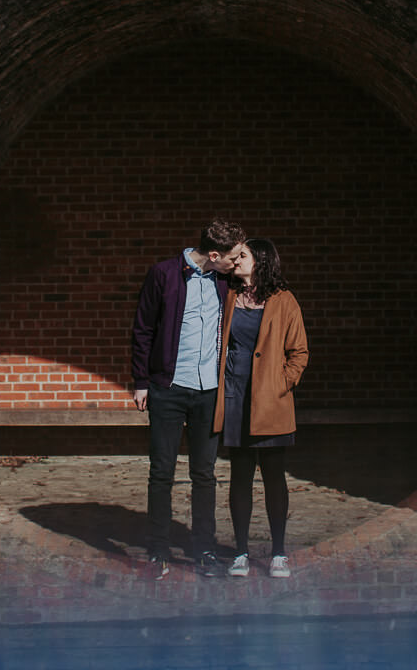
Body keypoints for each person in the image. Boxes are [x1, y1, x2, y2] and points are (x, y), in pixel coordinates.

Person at [131, 218, 247, 580]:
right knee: (161, 472)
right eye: (233, 257)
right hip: (168, 387)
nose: (237, 262)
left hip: (208, 390)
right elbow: (143, 328)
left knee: (204, 474)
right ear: (214, 255)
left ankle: (204, 550)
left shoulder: (225, 281)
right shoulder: (163, 275)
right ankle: (158, 549)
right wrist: (141, 381)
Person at [213, 238, 309, 579]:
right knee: (240, 476)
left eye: (243, 256)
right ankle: (240, 552)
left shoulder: (284, 300)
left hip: (271, 401)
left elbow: (299, 352)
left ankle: (278, 553)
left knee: (273, 477)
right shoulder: (228, 295)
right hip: (235, 397)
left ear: (262, 262)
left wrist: (281, 383)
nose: (236, 261)